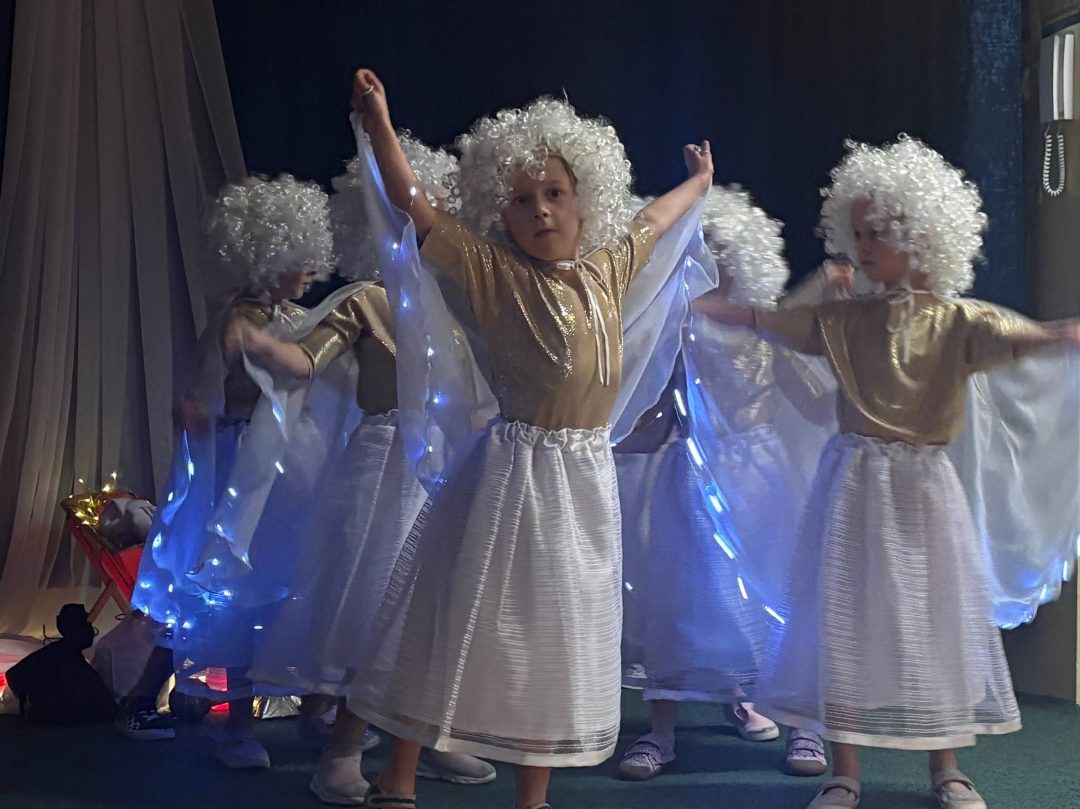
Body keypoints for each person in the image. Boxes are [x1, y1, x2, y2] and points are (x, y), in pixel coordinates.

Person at [344, 67, 715, 809]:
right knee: (456, 613)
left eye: (554, 193)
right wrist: (380, 125)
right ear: (500, 213)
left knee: (557, 631)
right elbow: (416, 207)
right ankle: (398, 773)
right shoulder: (492, 272)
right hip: (515, 473)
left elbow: (655, 220)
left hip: (582, 476)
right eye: (521, 200)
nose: (541, 210)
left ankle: (532, 795)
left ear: (583, 202)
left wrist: (700, 183)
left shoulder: (607, 270)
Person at [694, 135, 1080, 809]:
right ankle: (844, 767)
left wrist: (1059, 334)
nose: (865, 245)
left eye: (880, 232)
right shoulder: (844, 320)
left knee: (932, 617)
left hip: (924, 489)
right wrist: (702, 307)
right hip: (854, 486)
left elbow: (1025, 338)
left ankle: (945, 764)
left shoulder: (957, 321)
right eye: (860, 232)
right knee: (844, 616)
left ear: (922, 235)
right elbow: (770, 322)